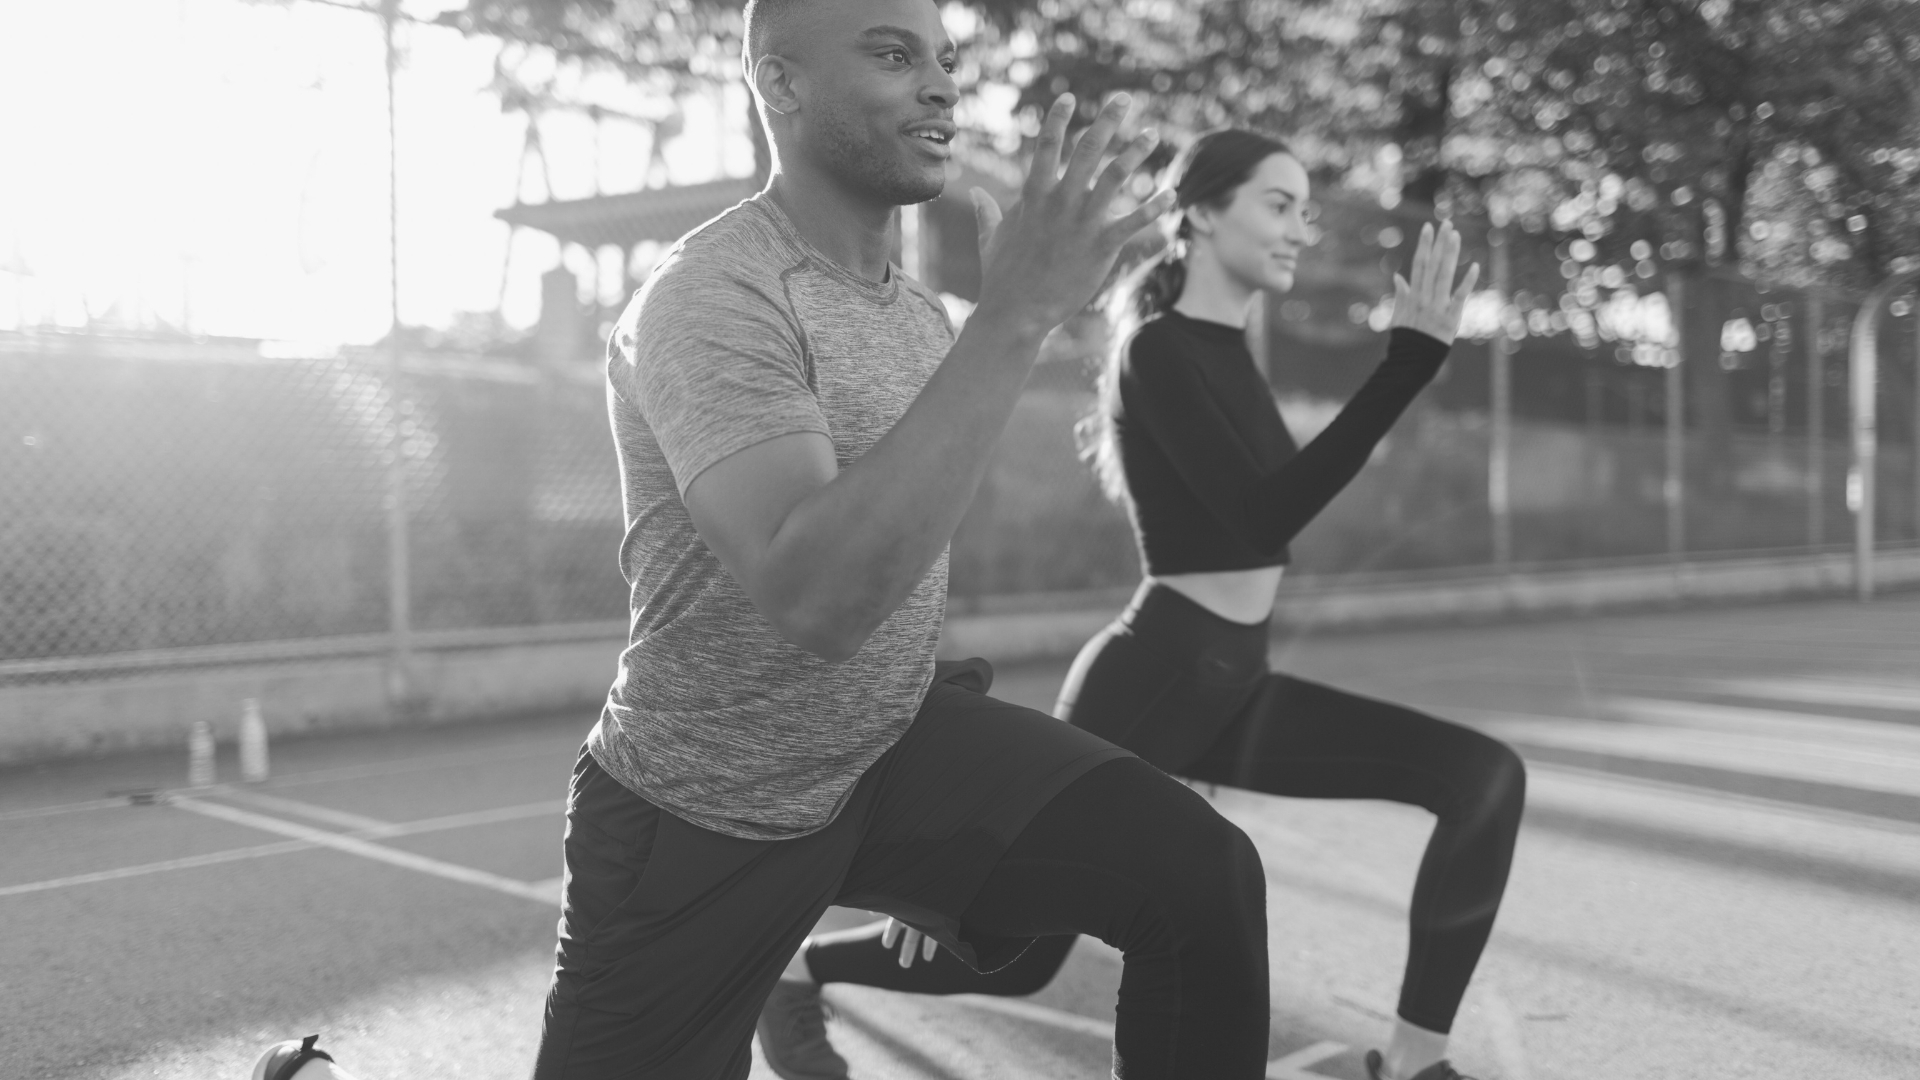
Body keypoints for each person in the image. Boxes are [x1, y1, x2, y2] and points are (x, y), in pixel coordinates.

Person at [257, 2, 1282, 1079]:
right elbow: (818, 595)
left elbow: (901, 559)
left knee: (1200, 876)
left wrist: (955, 840)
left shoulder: (920, 317)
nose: (940, 84)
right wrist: (1014, 316)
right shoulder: (712, 296)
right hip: (704, 812)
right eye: (893, 54)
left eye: (946, 58)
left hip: (886, 758)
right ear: (782, 86)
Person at [758, 129, 1522, 1080]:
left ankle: (1413, 1061)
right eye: (1277, 205)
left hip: (1237, 682)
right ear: (1202, 212)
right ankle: (797, 968)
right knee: (1018, 956)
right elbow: (1261, 517)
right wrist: (1406, 362)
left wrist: (1409, 362)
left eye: (1304, 209)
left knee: (1483, 780)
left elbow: (1270, 519)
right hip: (1153, 679)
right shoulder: (1156, 352)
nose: (1298, 228)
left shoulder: (1228, 352)